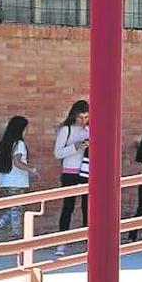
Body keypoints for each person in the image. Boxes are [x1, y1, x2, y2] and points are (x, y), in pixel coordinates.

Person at [0, 115, 37, 242]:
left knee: (14, 208)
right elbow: (17, 162)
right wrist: (31, 170)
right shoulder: (19, 144)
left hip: (5, 180)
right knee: (16, 210)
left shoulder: (3, 144)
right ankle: (14, 237)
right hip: (17, 181)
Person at [53, 99, 90, 256]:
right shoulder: (66, 130)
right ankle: (62, 243)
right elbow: (57, 153)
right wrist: (75, 147)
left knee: (88, 209)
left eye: (86, 117)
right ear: (74, 115)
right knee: (68, 207)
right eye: (80, 117)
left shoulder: (91, 129)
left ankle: (89, 243)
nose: (83, 121)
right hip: (69, 172)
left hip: (87, 172)